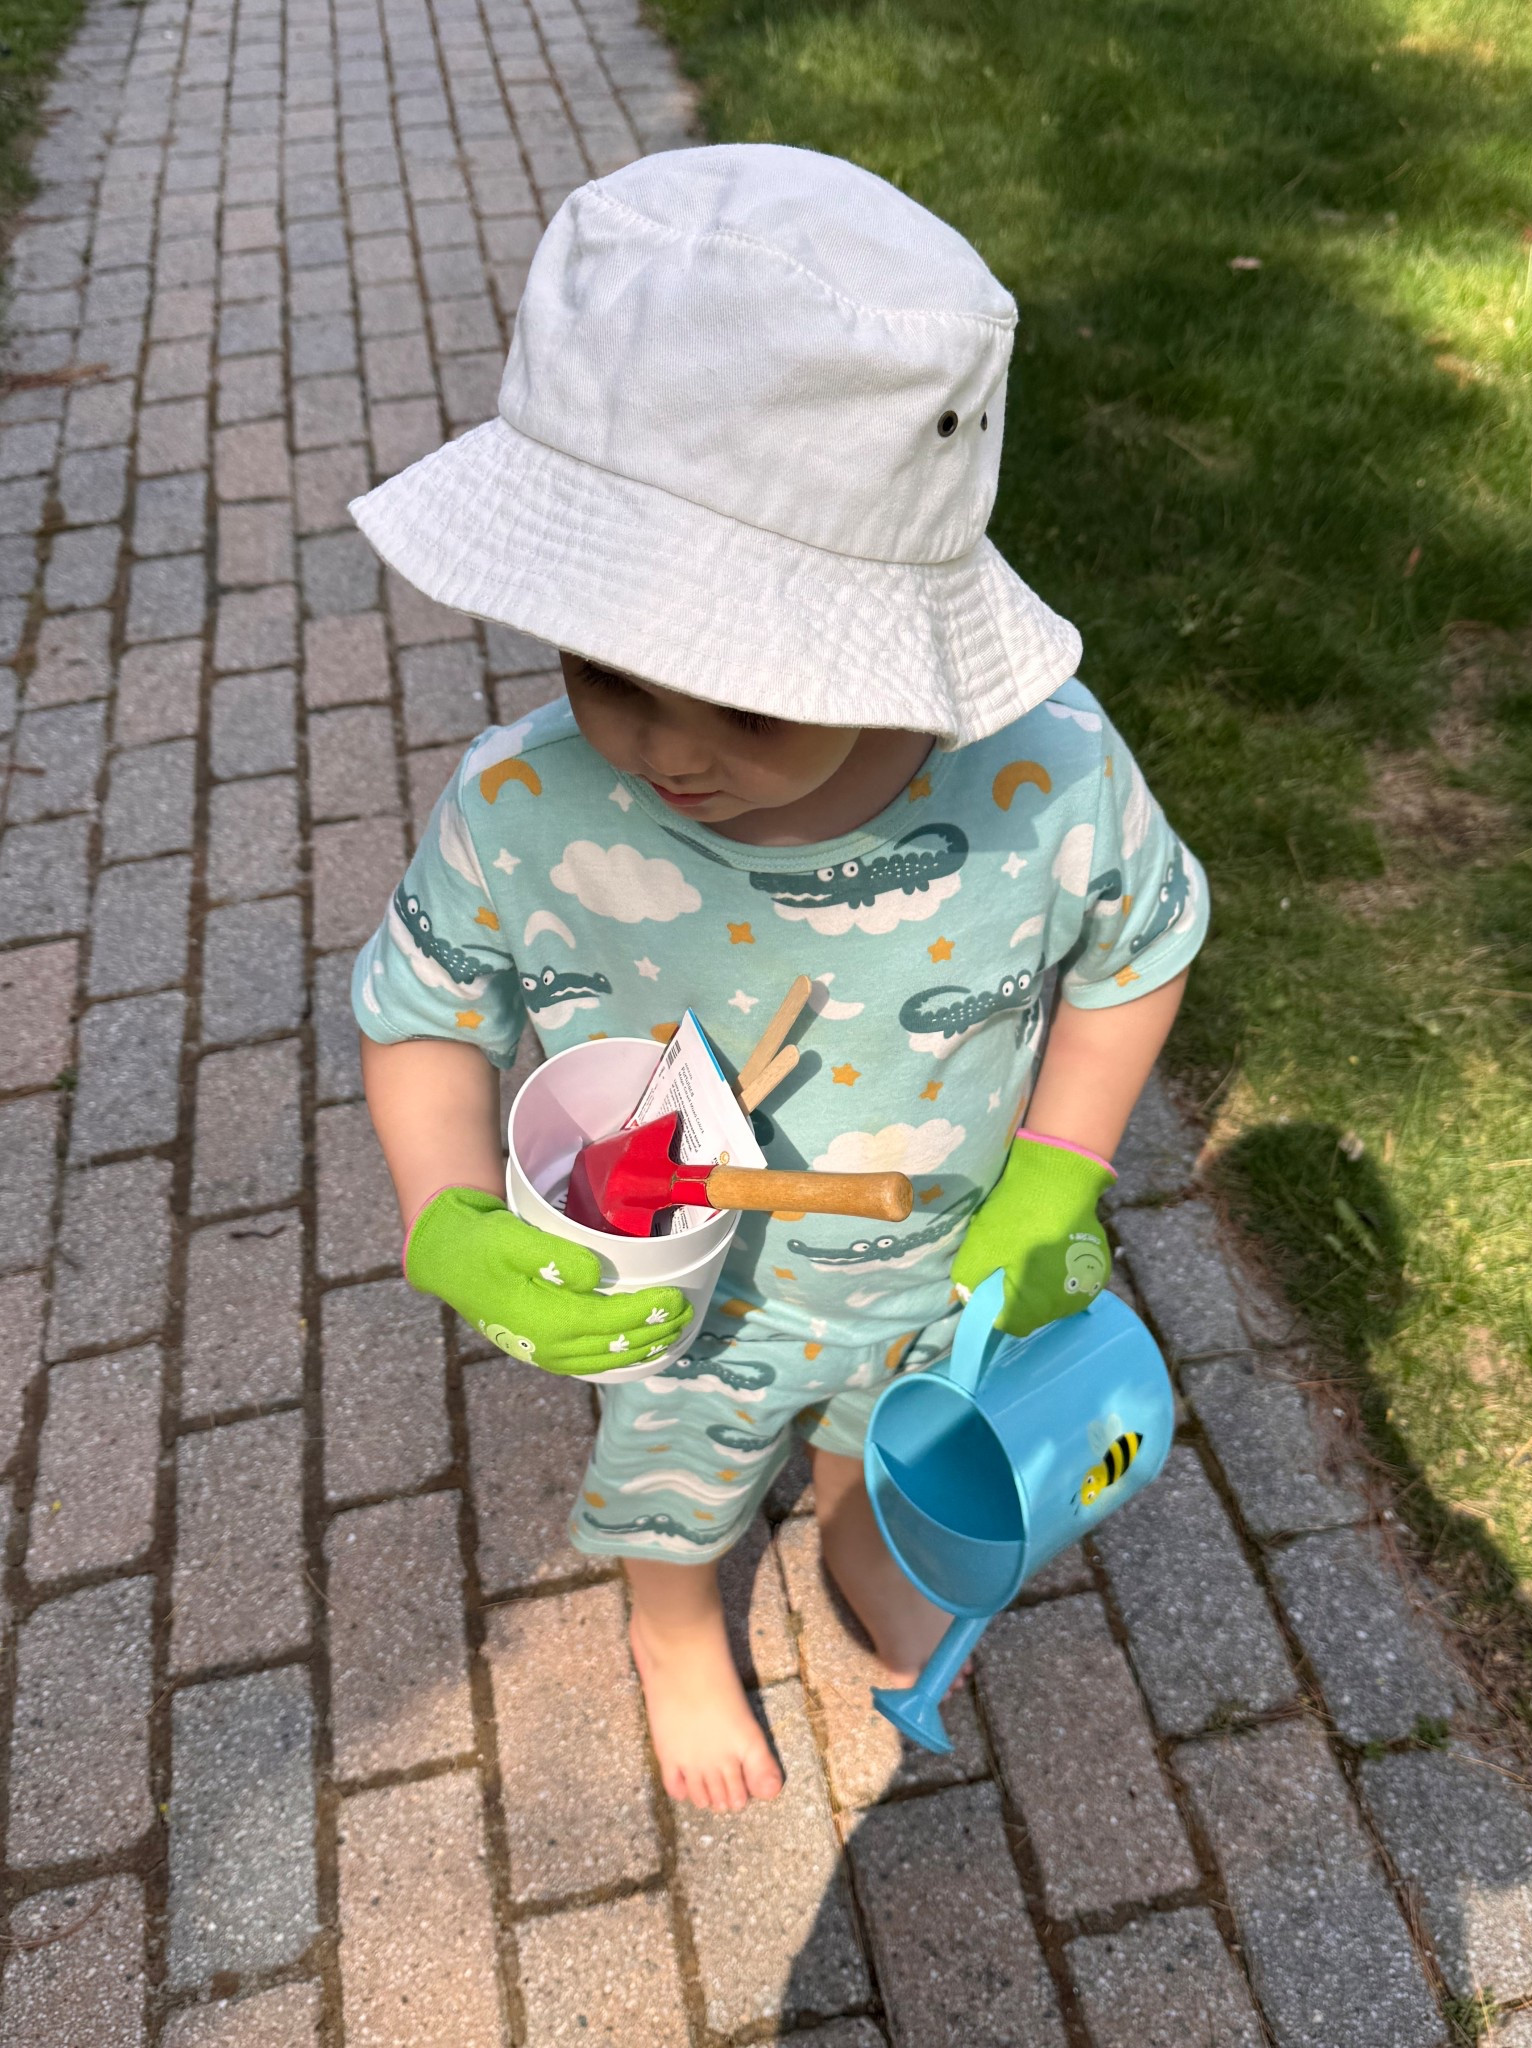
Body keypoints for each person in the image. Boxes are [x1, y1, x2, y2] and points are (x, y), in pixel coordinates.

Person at [349, 144, 1208, 1813]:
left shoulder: (1048, 785)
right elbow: (424, 1014)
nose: (664, 750)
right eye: (608, 668)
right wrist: (447, 1210)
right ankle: (673, 1616)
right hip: (679, 1314)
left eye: (744, 698)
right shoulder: (521, 812)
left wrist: (1057, 1171)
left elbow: (1139, 952)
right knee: (671, 1476)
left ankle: (849, 1507)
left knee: (880, 1433)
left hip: (934, 1260)